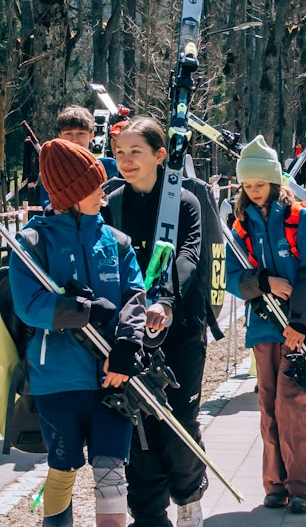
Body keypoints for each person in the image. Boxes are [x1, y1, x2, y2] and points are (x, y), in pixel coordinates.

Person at [9, 138, 146, 527]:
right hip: (59, 378)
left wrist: (126, 342)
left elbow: (134, 294)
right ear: (70, 196)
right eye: (94, 188)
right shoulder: (32, 243)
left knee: (111, 469)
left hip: (112, 376)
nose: (102, 195)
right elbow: (30, 305)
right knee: (64, 468)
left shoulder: (114, 241)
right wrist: (82, 312)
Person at [103, 117, 208, 527]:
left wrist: (164, 301)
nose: (125, 161)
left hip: (179, 327)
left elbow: (188, 256)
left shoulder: (185, 201)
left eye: (135, 153)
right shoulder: (112, 203)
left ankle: (187, 495)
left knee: (177, 418)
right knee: (138, 419)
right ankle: (148, 513)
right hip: (131, 329)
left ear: (160, 155)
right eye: (119, 153)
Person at [226, 136, 306, 515]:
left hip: (302, 327)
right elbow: (231, 277)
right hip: (264, 328)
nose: (254, 192)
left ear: (275, 182)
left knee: (293, 403)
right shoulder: (238, 226)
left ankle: (302, 486)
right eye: (248, 186)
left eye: (260, 185)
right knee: (268, 405)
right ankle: (276, 484)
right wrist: (263, 282)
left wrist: (300, 323)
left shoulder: (301, 219)